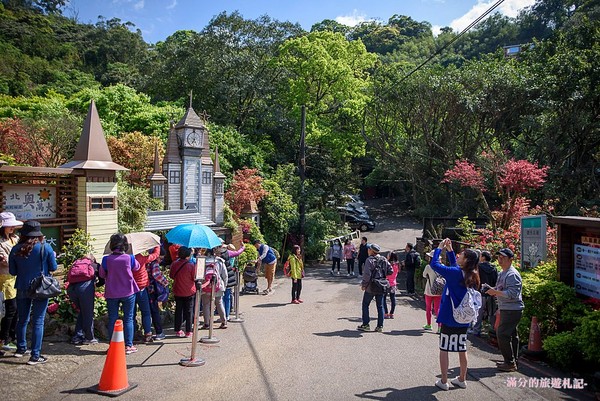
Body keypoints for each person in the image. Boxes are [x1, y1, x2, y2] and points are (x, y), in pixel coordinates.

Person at [430, 238, 480, 390]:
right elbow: (454, 267)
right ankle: (462, 379)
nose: (458, 256)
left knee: (444, 348)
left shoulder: (455, 273)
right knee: (461, 347)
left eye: (461, 255)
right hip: (463, 318)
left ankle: (444, 381)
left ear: (466, 260)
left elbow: (435, 265)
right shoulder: (472, 274)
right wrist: (450, 251)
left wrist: (439, 249)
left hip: (449, 317)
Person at [9, 220, 57, 365]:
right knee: (38, 321)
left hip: (22, 286)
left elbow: (12, 271)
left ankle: (20, 348)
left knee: (22, 319)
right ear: (39, 233)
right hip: (40, 288)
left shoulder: (16, 249)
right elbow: (53, 267)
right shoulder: (45, 247)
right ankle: (35, 355)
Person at [100, 233, 141, 355]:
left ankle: (113, 346)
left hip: (112, 293)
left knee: (113, 318)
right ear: (125, 245)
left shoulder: (106, 259)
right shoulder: (130, 258)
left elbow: (102, 274)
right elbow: (137, 268)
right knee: (128, 318)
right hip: (128, 292)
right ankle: (129, 346)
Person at [485, 248, 523, 372]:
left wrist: (495, 292)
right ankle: (512, 361)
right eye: (499, 257)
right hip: (507, 308)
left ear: (511, 259)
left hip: (512, 309)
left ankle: (510, 362)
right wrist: (492, 289)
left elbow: (512, 294)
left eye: (503, 257)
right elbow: (501, 289)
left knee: (502, 334)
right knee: (511, 335)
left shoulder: (512, 274)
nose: (500, 259)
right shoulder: (502, 273)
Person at [67, 254, 103, 345]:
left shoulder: (75, 263)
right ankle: (89, 338)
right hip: (85, 289)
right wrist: (97, 285)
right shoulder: (94, 265)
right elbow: (102, 280)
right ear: (93, 259)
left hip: (71, 289)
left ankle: (77, 336)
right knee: (88, 313)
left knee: (83, 312)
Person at [0, 212, 22, 355]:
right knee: (10, 309)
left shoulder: (16, 238)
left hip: (16, 277)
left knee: (15, 310)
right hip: (5, 278)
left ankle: (11, 337)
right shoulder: (1, 242)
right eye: (9, 226)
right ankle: (4, 339)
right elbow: (4, 260)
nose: (12, 228)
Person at [357, 243, 390, 333]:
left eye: (369, 249)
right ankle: (380, 326)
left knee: (365, 304)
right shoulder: (384, 259)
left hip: (371, 286)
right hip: (381, 285)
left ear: (371, 251)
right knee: (380, 306)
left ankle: (366, 324)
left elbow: (367, 274)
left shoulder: (369, 260)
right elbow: (390, 270)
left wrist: (364, 285)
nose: (368, 250)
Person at [133, 246, 160, 343]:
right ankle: (148, 334)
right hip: (141, 288)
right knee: (146, 312)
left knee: (131, 314)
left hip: (129, 290)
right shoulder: (141, 258)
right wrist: (157, 246)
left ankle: (132, 335)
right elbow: (155, 255)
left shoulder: (126, 259)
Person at [170, 246, 196, 337]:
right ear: (188, 255)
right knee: (189, 311)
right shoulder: (191, 265)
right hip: (189, 291)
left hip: (178, 290)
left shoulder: (174, 264)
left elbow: (171, 276)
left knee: (178, 310)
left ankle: (178, 330)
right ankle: (188, 331)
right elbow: (194, 277)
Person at [472, 250, 498, 336]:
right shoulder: (494, 268)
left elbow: (475, 278)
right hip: (491, 292)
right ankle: (492, 331)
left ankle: (476, 330)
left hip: (480, 292)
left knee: (479, 312)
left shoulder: (478, 267)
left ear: (483, 257)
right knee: (492, 313)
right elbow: (496, 281)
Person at [200, 247, 228, 329]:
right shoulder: (219, 261)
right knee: (219, 303)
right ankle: (224, 322)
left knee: (206, 304)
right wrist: (224, 286)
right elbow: (225, 275)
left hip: (205, 286)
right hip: (217, 285)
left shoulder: (202, 261)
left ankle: (206, 323)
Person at [147, 248, 168, 340]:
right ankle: (159, 332)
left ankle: (148, 332)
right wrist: (165, 282)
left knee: (147, 312)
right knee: (154, 311)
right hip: (152, 290)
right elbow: (156, 275)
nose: (161, 261)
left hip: (145, 289)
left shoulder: (146, 261)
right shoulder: (154, 262)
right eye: (161, 258)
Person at [221, 243, 245, 320]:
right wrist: (242, 247)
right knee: (227, 296)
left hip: (220, 278)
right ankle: (226, 315)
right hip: (229, 276)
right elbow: (238, 252)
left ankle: (223, 315)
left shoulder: (217, 255)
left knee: (221, 298)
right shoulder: (229, 253)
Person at [422, 251, 442, 332]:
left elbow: (424, 275)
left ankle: (429, 324)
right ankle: (440, 327)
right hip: (440, 290)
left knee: (428, 308)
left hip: (429, 290)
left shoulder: (428, 266)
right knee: (438, 309)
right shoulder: (442, 266)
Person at [384, 252, 399, 319]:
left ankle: (386, 313)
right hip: (393, 283)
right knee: (392, 299)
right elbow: (396, 274)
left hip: (386, 282)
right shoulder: (396, 265)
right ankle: (392, 313)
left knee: (383, 298)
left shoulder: (387, 264)